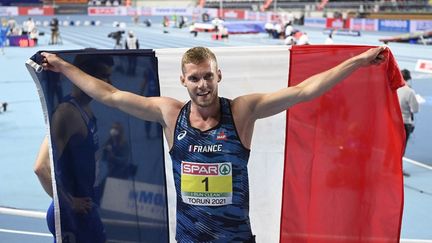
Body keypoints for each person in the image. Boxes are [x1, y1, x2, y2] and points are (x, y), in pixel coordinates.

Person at [40, 46, 386, 242]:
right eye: (194, 78)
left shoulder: (241, 111)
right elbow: (111, 94)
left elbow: (302, 91)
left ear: (218, 75)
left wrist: (357, 62)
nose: (202, 84)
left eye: (208, 76)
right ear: (183, 81)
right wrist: (63, 67)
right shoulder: (169, 114)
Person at [34, 53, 114, 242]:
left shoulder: (85, 107)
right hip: (73, 216)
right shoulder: (66, 113)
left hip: (86, 208)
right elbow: (41, 167)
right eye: (104, 75)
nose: (110, 81)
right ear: (85, 77)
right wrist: (70, 203)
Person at [397, 69, 419, 177]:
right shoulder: (409, 91)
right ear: (409, 78)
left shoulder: (394, 87)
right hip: (404, 122)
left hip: (393, 121)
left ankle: (388, 167)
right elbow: (415, 109)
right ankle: (398, 169)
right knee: (401, 148)